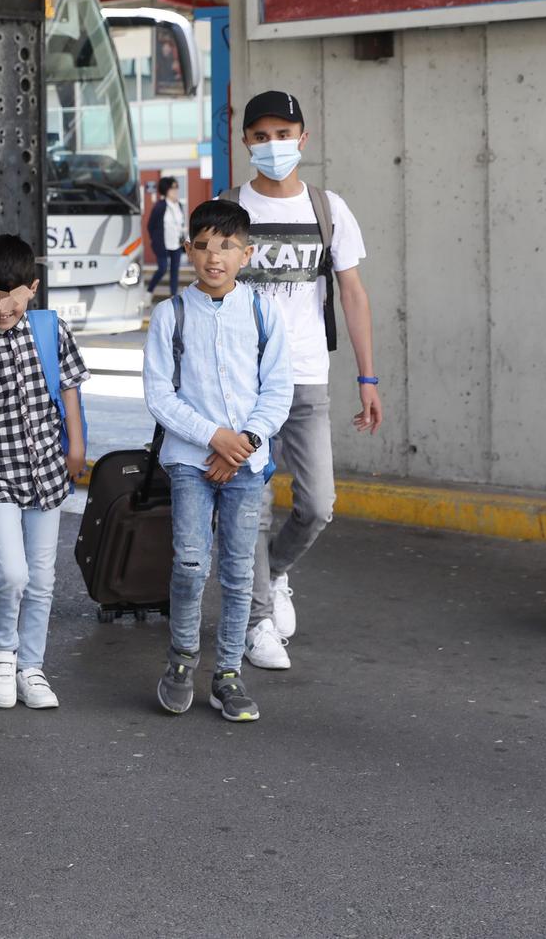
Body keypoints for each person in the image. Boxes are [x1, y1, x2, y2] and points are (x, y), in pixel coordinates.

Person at [226, 90, 383, 672]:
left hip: (307, 378)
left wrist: (368, 376)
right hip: (240, 385)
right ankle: (257, 622)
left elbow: (354, 293)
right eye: (261, 135)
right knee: (253, 504)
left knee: (317, 505)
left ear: (303, 137)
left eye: (283, 133)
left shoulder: (327, 208)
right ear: (246, 142)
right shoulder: (227, 208)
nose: (273, 145)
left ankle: (275, 569)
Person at [146, 200, 291, 723]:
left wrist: (244, 442)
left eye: (227, 247)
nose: (214, 257)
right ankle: (181, 660)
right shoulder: (171, 314)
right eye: (204, 245)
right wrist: (214, 437)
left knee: (237, 571)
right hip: (190, 459)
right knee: (189, 561)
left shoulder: (261, 311)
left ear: (246, 253)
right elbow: (160, 395)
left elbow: (278, 388)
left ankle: (228, 673)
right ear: (188, 250)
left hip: (247, 464)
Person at [0, 234, 89, 711]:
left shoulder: (51, 331)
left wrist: (77, 446)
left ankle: (32, 665)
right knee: (12, 572)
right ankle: (2, 654)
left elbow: (69, 388)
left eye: (13, 293)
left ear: (34, 287)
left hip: (47, 471)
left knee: (43, 578)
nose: (1, 306)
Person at [147, 177, 186, 300]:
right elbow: (150, 225)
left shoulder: (179, 205)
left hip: (177, 244)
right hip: (163, 244)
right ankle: (149, 292)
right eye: (172, 188)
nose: (175, 191)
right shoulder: (160, 206)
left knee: (175, 271)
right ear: (165, 190)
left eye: (176, 188)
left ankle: (173, 296)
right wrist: (155, 240)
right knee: (163, 268)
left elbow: (181, 223)